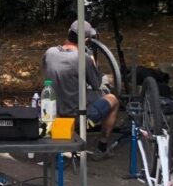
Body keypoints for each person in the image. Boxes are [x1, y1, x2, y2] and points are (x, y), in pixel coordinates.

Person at [41, 20, 119, 152]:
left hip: (52, 113)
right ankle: (102, 145)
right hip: (77, 117)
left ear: (68, 33)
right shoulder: (83, 58)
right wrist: (92, 62)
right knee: (113, 100)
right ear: (87, 40)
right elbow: (96, 84)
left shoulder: (49, 53)